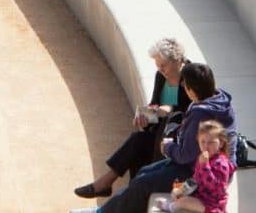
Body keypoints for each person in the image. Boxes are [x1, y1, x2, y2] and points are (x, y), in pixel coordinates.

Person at [71, 60, 231, 213]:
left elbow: (186, 154)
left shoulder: (200, 114)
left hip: (196, 173)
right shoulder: (220, 100)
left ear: (191, 90)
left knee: (145, 182)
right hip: (196, 165)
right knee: (145, 173)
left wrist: (168, 146)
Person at [74, 37, 188, 200]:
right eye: (158, 65)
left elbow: (186, 111)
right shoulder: (161, 76)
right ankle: (111, 185)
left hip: (176, 141)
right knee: (138, 140)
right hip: (160, 134)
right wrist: (146, 116)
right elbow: (155, 105)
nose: (161, 69)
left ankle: (115, 188)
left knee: (140, 144)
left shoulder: (190, 76)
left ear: (177, 61)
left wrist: (166, 111)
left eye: (164, 65)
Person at [166, 120, 234, 213]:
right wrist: (183, 189)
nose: (206, 146)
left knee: (185, 202)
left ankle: (171, 207)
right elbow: (196, 179)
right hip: (201, 196)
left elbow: (215, 187)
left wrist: (205, 165)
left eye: (211, 142)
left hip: (213, 204)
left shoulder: (221, 163)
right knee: (176, 192)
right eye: (202, 142)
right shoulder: (202, 157)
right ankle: (189, 211)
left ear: (221, 144)